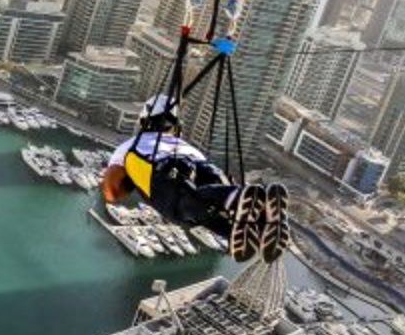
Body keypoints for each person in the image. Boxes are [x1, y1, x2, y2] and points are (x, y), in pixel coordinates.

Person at [99, 98, 289, 262]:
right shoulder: (185, 145)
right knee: (210, 211)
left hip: (170, 179)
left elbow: (112, 192)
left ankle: (238, 203)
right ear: (174, 126)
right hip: (205, 170)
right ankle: (257, 218)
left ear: (144, 121)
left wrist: (132, 180)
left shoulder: (129, 146)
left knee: (190, 206)